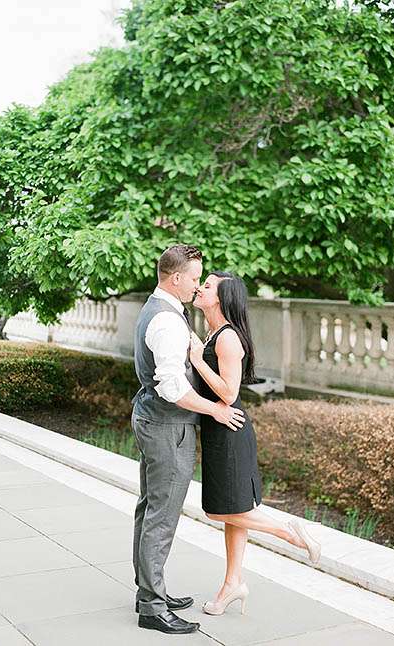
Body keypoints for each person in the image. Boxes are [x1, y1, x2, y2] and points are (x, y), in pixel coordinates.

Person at [190, 271, 321, 617]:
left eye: (207, 286)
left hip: (229, 432)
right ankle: (232, 584)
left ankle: (292, 534)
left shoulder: (227, 339)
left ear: (221, 298)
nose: (200, 288)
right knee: (234, 515)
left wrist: (197, 361)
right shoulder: (215, 333)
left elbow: (229, 393)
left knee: (220, 510)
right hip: (221, 430)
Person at [131, 244, 245, 635]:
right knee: (161, 517)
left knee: (149, 509)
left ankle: (149, 590)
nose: (197, 286)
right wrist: (215, 410)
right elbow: (171, 387)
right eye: (195, 278)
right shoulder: (166, 322)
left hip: (156, 422)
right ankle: (152, 606)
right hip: (166, 426)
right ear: (176, 277)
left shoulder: (162, 309)